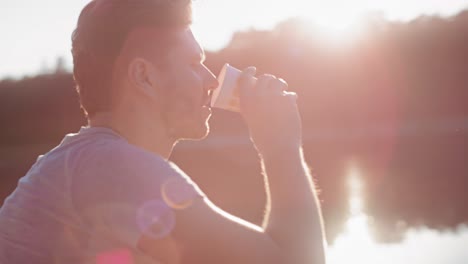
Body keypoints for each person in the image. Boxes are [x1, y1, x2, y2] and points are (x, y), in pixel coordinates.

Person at [0, 0, 327, 263]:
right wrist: (280, 146)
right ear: (144, 77)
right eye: (193, 63)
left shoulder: (84, 163)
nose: (211, 80)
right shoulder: (111, 165)